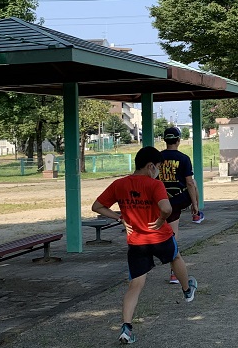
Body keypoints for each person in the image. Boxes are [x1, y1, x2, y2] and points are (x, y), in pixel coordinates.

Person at [91, 146, 198, 345]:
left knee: (135, 285)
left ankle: (126, 327)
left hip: (136, 241)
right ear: (150, 166)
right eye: (157, 166)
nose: (157, 171)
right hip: (160, 237)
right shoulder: (154, 184)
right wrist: (161, 219)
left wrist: (120, 218)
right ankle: (186, 289)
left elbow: (97, 206)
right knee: (175, 258)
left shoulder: (119, 184)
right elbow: (166, 208)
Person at [159, 126, 200, 284]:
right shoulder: (183, 158)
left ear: (165, 140)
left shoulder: (158, 157)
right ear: (178, 140)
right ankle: (174, 272)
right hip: (177, 200)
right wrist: (194, 204)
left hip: (160, 200)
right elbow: (189, 183)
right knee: (173, 234)